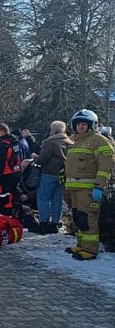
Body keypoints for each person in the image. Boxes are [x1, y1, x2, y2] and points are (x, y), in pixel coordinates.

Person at [64, 109, 113, 260]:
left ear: (92, 125)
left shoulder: (98, 140)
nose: (81, 127)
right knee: (79, 218)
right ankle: (81, 245)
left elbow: (106, 165)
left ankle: (90, 250)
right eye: (78, 125)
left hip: (89, 189)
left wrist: (99, 186)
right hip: (74, 189)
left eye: (84, 124)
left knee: (88, 219)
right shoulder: (75, 141)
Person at [34, 120, 73, 234]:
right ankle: (55, 223)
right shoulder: (70, 142)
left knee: (43, 198)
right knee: (57, 199)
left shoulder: (49, 142)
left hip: (48, 173)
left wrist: (36, 158)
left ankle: (44, 223)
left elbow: (42, 159)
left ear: (54, 130)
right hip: (63, 174)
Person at [0, 123, 22, 216]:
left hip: (4, 174)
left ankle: (4, 215)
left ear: (1, 132)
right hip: (15, 172)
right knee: (11, 194)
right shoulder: (15, 141)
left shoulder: (2, 144)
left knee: (2, 195)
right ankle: (10, 213)